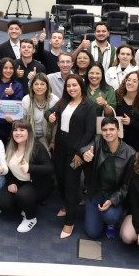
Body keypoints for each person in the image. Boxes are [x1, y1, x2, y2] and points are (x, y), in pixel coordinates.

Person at [47, 74, 96, 239]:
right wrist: (50, 116)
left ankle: (70, 221)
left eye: (74, 85)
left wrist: (80, 153)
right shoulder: (63, 102)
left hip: (76, 152)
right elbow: (49, 111)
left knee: (71, 183)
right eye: (68, 86)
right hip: (60, 147)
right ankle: (67, 206)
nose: (71, 88)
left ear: (81, 86)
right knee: (60, 178)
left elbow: (90, 132)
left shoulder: (89, 105)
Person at [80, 116, 136, 239]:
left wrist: (113, 200)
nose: (108, 133)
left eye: (112, 129)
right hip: (96, 194)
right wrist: (85, 154)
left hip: (113, 195)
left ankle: (111, 223)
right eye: (105, 130)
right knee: (92, 233)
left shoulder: (130, 154)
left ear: (119, 131)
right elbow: (84, 148)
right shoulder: (98, 140)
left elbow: (127, 186)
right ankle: (99, 216)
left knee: (110, 217)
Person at [0, 119, 54, 233]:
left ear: (29, 132)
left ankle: (30, 217)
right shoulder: (10, 146)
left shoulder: (37, 147)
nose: (18, 133)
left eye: (22, 130)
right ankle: (26, 205)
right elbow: (9, 169)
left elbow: (50, 168)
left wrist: (30, 168)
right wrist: (11, 182)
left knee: (23, 196)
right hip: (19, 181)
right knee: (2, 202)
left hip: (37, 183)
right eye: (15, 130)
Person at [21, 73, 58, 151]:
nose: (39, 87)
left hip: (47, 136)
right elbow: (23, 121)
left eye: (42, 84)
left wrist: (53, 141)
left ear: (47, 86)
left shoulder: (54, 100)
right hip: (30, 134)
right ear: (32, 86)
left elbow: (56, 124)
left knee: (46, 156)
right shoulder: (26, 100)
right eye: (36, 84)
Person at [115, 71, 139, 151]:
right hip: (116, 140)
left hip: (135, 142)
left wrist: (131, 122)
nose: (130, 83)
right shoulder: (117, 96)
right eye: (128, 80)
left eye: (134, 81)